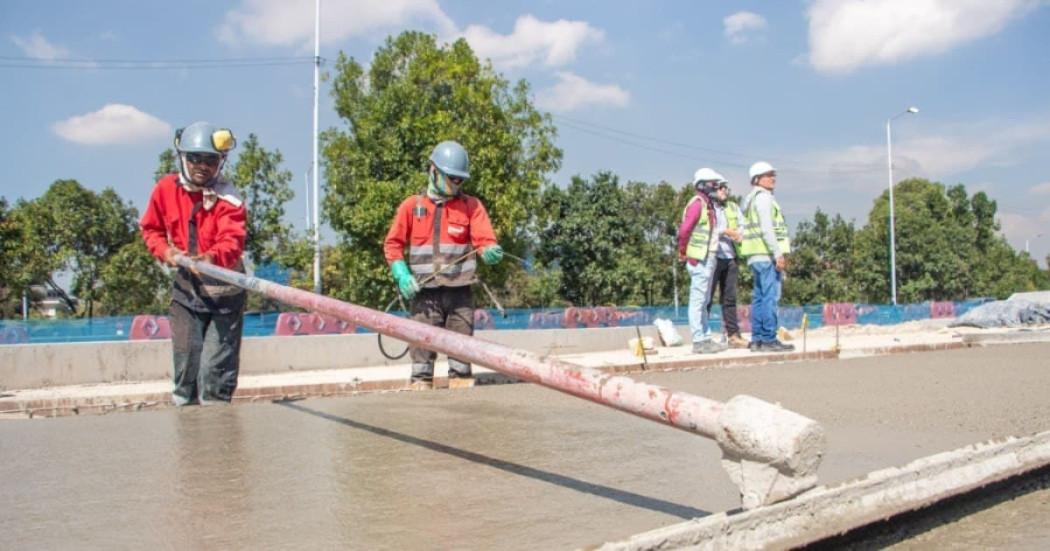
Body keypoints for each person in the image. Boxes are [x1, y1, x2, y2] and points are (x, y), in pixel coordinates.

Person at [140, 122, 248, 405]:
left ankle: (217, 438)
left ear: (220, 162)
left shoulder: (230, 199)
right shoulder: (165, 189)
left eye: (211, 160)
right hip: (187, 294)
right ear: (182, 158)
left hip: (225, 295)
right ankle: (188, 438)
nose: (202, 166)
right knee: (186, 370)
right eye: (195, 158)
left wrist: (211, 258)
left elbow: (232, 240)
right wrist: (166, 252)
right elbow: (151, 230)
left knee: (215, 375)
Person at [384, 140, 503, 390]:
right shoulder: (412, 207)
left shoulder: (471, 207)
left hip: (460, 293)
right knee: (421, 352)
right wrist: (401, 274)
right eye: (452, 178)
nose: (457, 184)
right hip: (424, 295)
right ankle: (421, 391)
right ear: (433, 171)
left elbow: (485, 240)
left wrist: (490, 250)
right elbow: (392, 244)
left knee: (461, 353)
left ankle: (460, 409)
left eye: (461, 180)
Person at [740, 161, 794, 352]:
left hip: (756, 255)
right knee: (770, 298)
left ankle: (758, 340)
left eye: (773, 174)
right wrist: (777, 253)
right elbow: (767, 228)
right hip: (766, 255)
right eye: (768, 175)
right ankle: (769, 339)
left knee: (760, 298)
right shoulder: (763, 198)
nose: (773, 178)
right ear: (757, 179)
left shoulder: (751, 199)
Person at [678, 168, 729, 354]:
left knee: (705, 299)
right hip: (698, 259)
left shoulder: (708, 205)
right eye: (713, 183)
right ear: (702, 185)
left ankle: (705, 337)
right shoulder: (698, 204)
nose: (716, 187)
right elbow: (684, 231)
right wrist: (683, 252)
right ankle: (699, 340)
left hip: (708, 257)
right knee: (698, 300)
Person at [706, 177, 749, 348]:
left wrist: (738, 233)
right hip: (713, 256)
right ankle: (703, 335)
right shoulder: (708, 208)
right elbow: (707, 229)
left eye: (726, 188)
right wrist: (725, 231)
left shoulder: (732, 207)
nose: (725, 191)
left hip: (730, 258)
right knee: (706, 297)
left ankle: (733, 335)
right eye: (721, 188)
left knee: (729, 298)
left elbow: (743, 226)